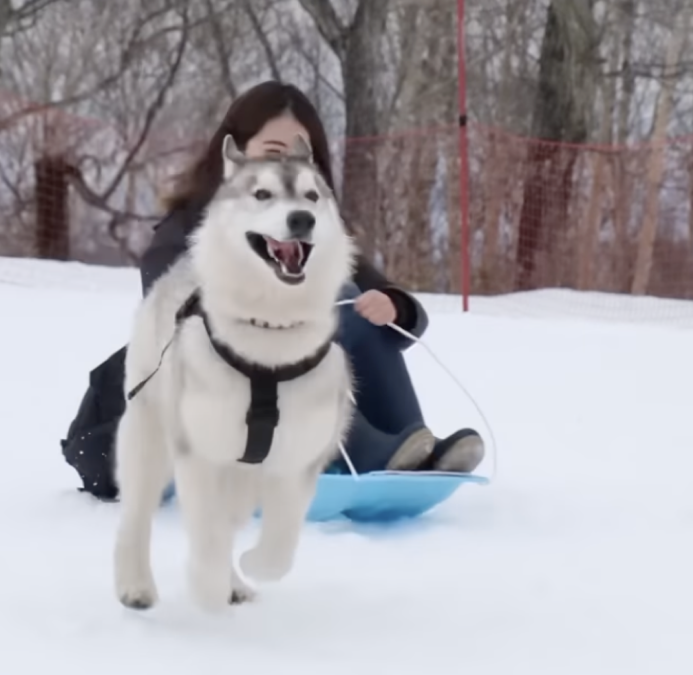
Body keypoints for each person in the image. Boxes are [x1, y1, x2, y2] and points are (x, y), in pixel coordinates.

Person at [60, 81, 484, 501]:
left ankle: (415, 446)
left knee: (350, 298)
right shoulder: (186, 229)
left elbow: (387, 306)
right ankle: (368, 451)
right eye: (272, 153)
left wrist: (393, 306)